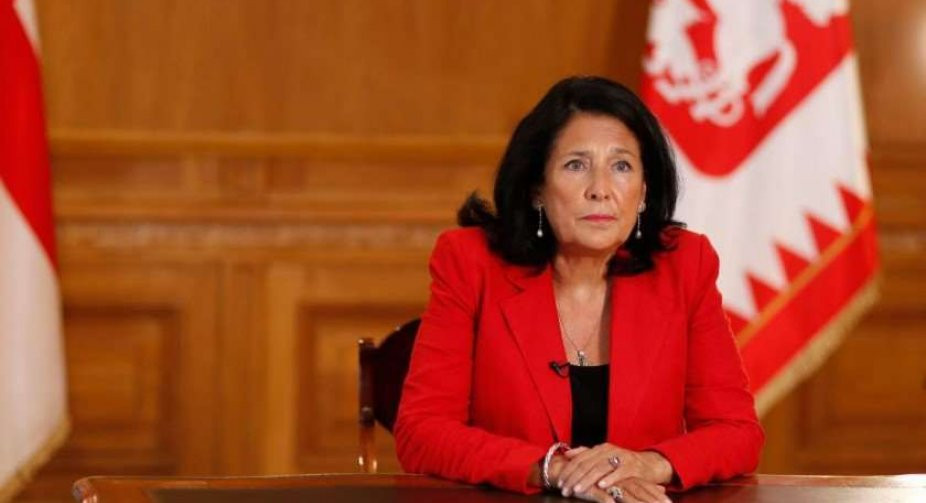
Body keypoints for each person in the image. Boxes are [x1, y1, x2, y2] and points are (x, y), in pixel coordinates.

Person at [394, 76, 764, 503]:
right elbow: (421, 432)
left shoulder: (684, 266)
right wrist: (553, 469)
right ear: (537, 189)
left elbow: (736, 432)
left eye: (621, 166)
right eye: (576, 165)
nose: (600, 190)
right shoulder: (471, 263)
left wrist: (647, 464)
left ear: (644, 191)